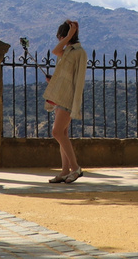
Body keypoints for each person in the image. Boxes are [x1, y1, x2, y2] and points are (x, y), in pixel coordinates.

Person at [43, 19, 85, 184]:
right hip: (61, 96)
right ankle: (65, 171)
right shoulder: (67, 51)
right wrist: (53, 80)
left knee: (57, 132)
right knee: (63, 134)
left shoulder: (78, 52)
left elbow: (55, 51)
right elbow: (59, 55)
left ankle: (75, 168)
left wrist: (68, 36)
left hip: (68, 98)